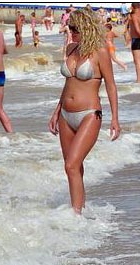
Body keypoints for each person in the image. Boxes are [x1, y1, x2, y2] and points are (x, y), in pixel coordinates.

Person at [48, 9, 121, 215]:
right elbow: (67, 84)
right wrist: (56, 111)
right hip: (65, 116)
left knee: (71, 165)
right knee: (73, 166)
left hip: (89, 114)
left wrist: (115, 119)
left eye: (75, 29)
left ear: (86, 28)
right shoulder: (72, 48)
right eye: (70, 29)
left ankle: (76, 217)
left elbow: (111, 86)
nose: (71, 33)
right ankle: (80, 208)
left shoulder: (100, 52)